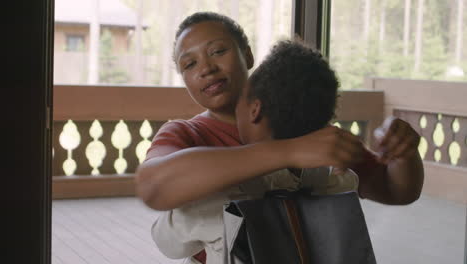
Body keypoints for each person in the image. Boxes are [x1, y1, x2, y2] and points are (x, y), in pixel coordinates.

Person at [136, 12, 424, 264]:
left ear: (246, 55)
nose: (205, 68)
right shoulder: (185, 134)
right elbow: (153, 186)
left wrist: (403, 153)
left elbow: (395, 190)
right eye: (188, 64)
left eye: (218, 51)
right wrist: (288, 152)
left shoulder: (309, 127)